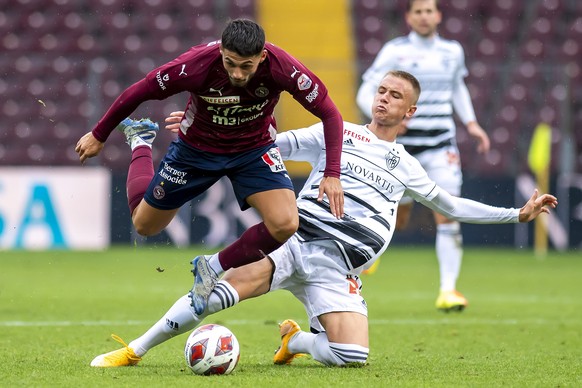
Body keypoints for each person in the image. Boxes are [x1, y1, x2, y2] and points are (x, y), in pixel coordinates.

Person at [90, 70, 557, 368]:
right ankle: (136, 349)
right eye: (381, 91)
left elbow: (452, 206)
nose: (384, 100)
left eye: (395, 97)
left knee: (353, 356)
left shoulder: (408, 166)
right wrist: (209, 128)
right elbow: (269, 144)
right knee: (213, 294)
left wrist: (517, 214)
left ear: (409, 111)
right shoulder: (337, 133)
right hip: (295, 245)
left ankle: (295, 342)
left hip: (340, 269)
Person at [74, 19, 344, 315]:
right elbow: (141, 90)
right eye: (230, 63)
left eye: (247, 66)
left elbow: (330, 113)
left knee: (285, 224)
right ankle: (140, 141)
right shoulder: (196, 65)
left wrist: (332, 174)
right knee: (144, 225)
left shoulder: (283, 68)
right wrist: (99, 133)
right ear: (221, 52)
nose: (238, 73)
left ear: (262, 57)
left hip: (253, 151)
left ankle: (211, 266)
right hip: (195, 152)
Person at [356, 0, 491, 312]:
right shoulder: (394, 51)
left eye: (429, 10)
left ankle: (448, 290)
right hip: (401, 149)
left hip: (440, 145)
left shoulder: (452, 52)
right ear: (409, 17)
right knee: (398, 219)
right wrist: (384, 119)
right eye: (418, 11)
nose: (424, 16)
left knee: (447, 214)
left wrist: (471, 124)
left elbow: (457, 87)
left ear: (438, 15)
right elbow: (366, 90)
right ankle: (371, 254)